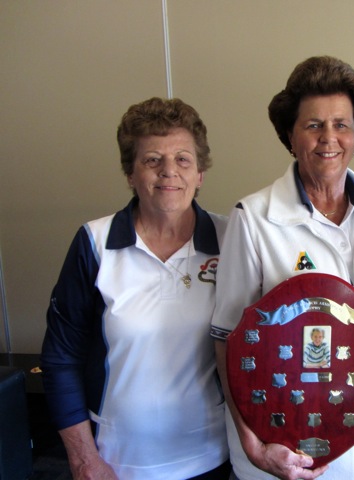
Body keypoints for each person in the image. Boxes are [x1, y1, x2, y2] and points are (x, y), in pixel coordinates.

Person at [210, 55, 354, 480]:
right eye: (313, 125)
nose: (329, 138)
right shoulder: (254, 218)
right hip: (282, 455)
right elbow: (225, 340)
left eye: (341, 124)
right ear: (290, 135)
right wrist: (253, 447)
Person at [40, 97, 231, 479]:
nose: (168, 172)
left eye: (182, 159)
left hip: (212, 457)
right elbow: (61, 358)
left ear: (200, 173)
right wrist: (83, 459)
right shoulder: (93, 243)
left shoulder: (232, 240)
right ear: (131, 173)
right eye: (152, 160)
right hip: (115, 463)